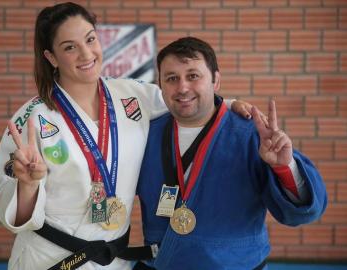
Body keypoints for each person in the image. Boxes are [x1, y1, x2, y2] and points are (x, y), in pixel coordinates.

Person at [0, 3, 253, 270]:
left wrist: (229, 104)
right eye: (70, 47)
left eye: (90, 39)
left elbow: (184, 100)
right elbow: (14, 215)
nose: (86, 53)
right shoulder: (32, 119)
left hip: (114, 260)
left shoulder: (131, 95)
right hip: (51, 259)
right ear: (51, 57)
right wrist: (29, 185)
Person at [135, 37, 327, 270]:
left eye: (193, 76)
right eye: (172, 78)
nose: (182, 87)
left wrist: (285, 168)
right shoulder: (146, 134)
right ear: (160, 84)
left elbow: (303, 213)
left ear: (216, 80)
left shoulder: (252, 134)